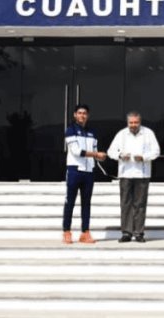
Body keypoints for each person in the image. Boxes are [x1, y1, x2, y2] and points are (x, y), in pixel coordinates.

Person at [107, 111, 160, 243]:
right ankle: (126, 232)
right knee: (125, 204)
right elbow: (110, 151)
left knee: (140, 204)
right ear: (127, 122)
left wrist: (144, 157)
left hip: (142, 174)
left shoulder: (148, 133)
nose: (133, 125)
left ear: (140, 122)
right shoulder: (121, 134)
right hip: (125, 173)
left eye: (136, 122)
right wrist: (120, 155)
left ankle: (139, 232)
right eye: (131, 122)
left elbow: (156, 151)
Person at [62, 104, 107, 244]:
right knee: (70, 202)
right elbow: (76, 151)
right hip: (74, 170)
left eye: (85, 113)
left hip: (89, 172)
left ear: (88, 115)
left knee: (86, 203)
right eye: (79, 113)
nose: (82, 115)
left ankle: (85, 232)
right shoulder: (70, 130)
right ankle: (66, 231)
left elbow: (95, 151)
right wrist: (95, 154)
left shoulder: (92, 132)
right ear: (75, 115)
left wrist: (100, 157)